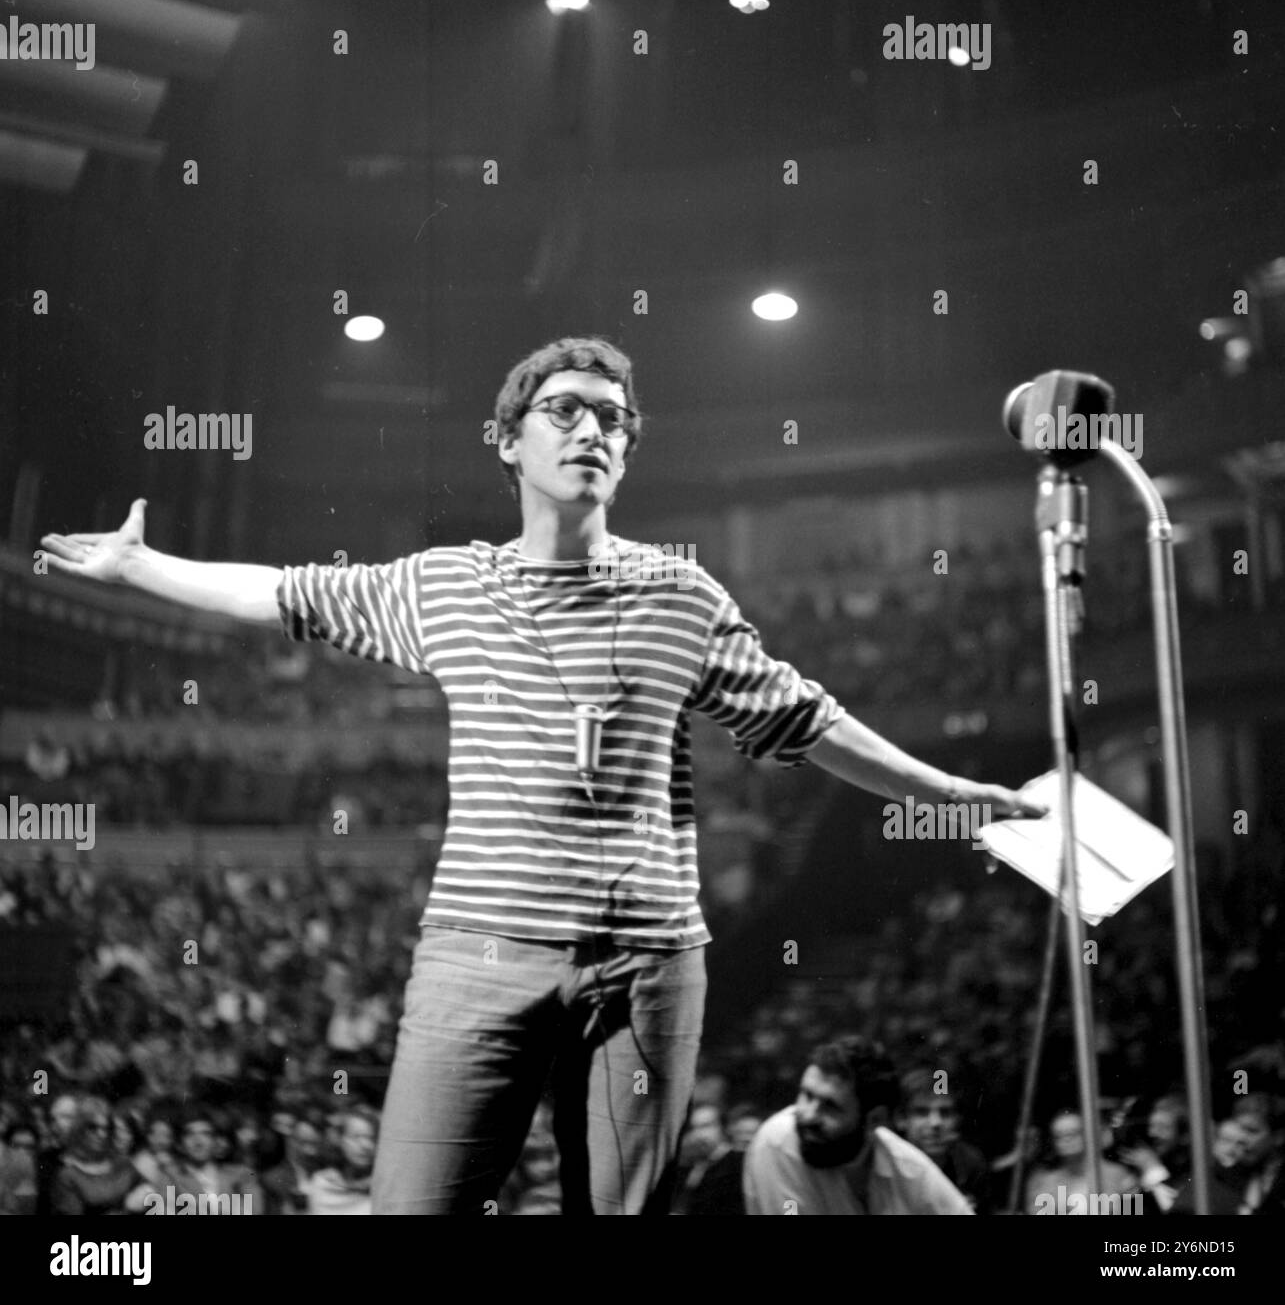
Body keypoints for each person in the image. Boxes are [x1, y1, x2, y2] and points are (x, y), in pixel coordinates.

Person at [40, 335, 1042, 1216]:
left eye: (612, 418)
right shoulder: (444, 585)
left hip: (648, 966)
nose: (591, 429)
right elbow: (284, 592)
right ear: (508, 440)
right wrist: (142, 568)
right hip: (479, 953)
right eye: (562, 409)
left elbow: (803, 716)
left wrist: (945, 793)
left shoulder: (677, 594)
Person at [742, 1035, 973, 1214]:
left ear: (876, 1120)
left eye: (830, 1106)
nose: (807, 1115)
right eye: (807, 1096)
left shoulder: (906, 1166)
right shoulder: (779, 1141)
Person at [896, 1068, 993, 1213]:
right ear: (901, 1119)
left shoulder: (970, 1164)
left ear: (958, 1119)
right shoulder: (888, 1163)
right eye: (922, 1112)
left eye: (945, 1112)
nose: (936, 1123)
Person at [1023, 1109, 1138, 1215]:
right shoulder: (1043, 1182)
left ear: (1088, 1134)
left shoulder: (1118, 1175)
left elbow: (1133, 1210)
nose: (1066, 1140)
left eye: (1073, 1133)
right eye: (1059, 1136)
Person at [49, 1097, 152, 1216]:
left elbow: (150, 1194)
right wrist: (126, 1209)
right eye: (93, 1128)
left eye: (106, 1128)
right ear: (80, 1129)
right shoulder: (68, 1176)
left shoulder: (123, 1163)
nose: (102, 1134)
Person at [671, 1102, 745, 1215]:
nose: (698, 1134)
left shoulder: (738, 1163)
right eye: (693, 1128)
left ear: (723, 1127)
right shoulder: (689, 1165)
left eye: (706, 1126)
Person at [304, 1109, 378, 1215]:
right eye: (356, 1137)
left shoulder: (383, 1187)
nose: (366, 1145)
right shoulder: (323, 1183)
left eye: (372, 1138)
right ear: (340, 1139)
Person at [260, 1112, 324, 1215]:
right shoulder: (273, 1180)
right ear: (290, 1142)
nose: (311, 1151)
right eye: (303, 1143)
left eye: (315, 1144)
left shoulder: (328, 1175)